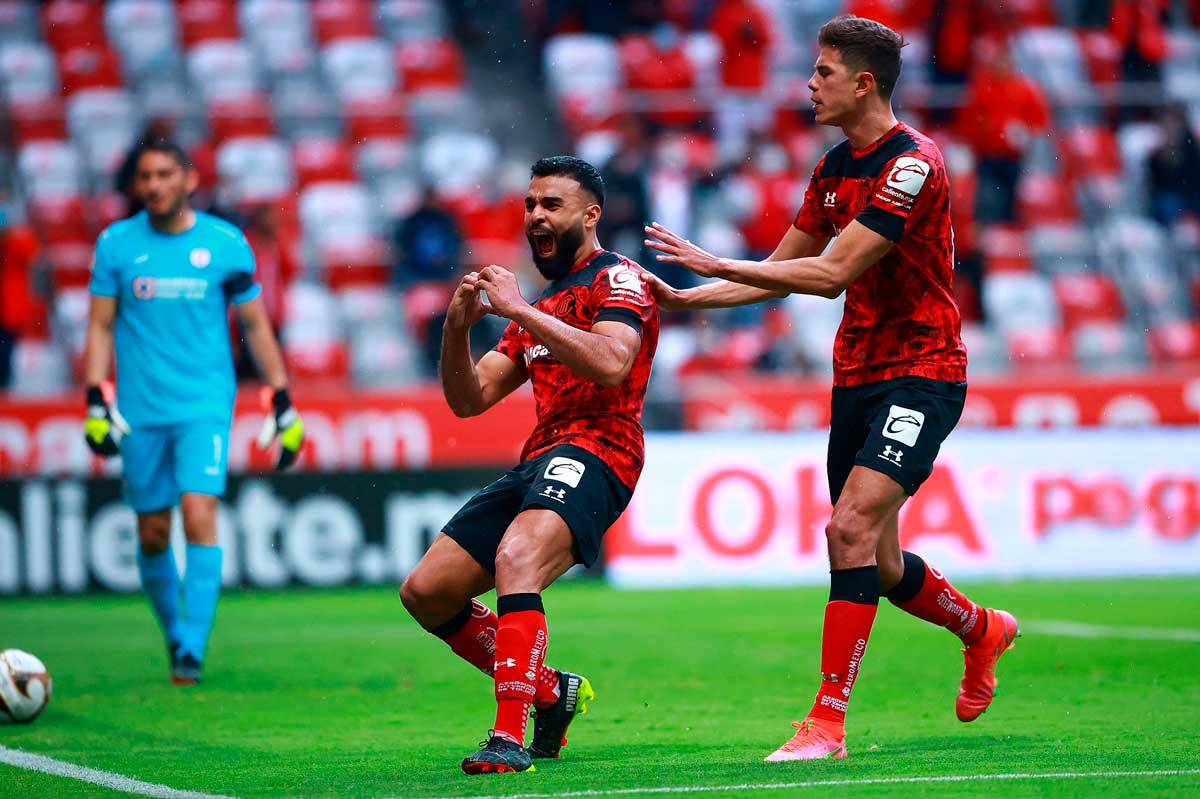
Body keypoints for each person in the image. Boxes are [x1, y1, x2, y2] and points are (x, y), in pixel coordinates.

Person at [644, 15, 1018, 761]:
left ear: (863, 82)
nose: (809, 85)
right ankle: (981, 628)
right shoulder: (831, 168)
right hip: (856, 377)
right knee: (875, 561)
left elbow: (828, 274)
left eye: (822, 72)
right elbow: (784, 268)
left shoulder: (913, 164)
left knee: (845, 529)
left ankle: (826, 722)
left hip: (923, 371)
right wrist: (689, 301)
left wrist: (717, 265)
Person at [398, 156, 659, 775]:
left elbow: (612, 362)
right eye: (530, 205)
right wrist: (456, 329)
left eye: (552, 205)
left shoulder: (620, 281)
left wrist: (518, 309)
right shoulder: (539, 303)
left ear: (591, 215)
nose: (536, 216)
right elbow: (470, 400)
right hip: (541, 456)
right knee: (426, 593)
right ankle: (550, 690)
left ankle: (508, 735)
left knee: (518, 558)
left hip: (603, 450)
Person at [83, 138, 305, 685]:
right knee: (153, 532)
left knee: (199, 510)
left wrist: (280, 394)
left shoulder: (225, 244)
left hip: (204, 404)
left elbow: (255, 324)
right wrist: (94, 395)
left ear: (187, 179)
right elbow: (100, 324)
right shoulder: (116, 244)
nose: (154, 186)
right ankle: (175, 635)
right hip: (139, 410)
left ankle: (192, 649)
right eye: (144, 177)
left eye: (163, 175)